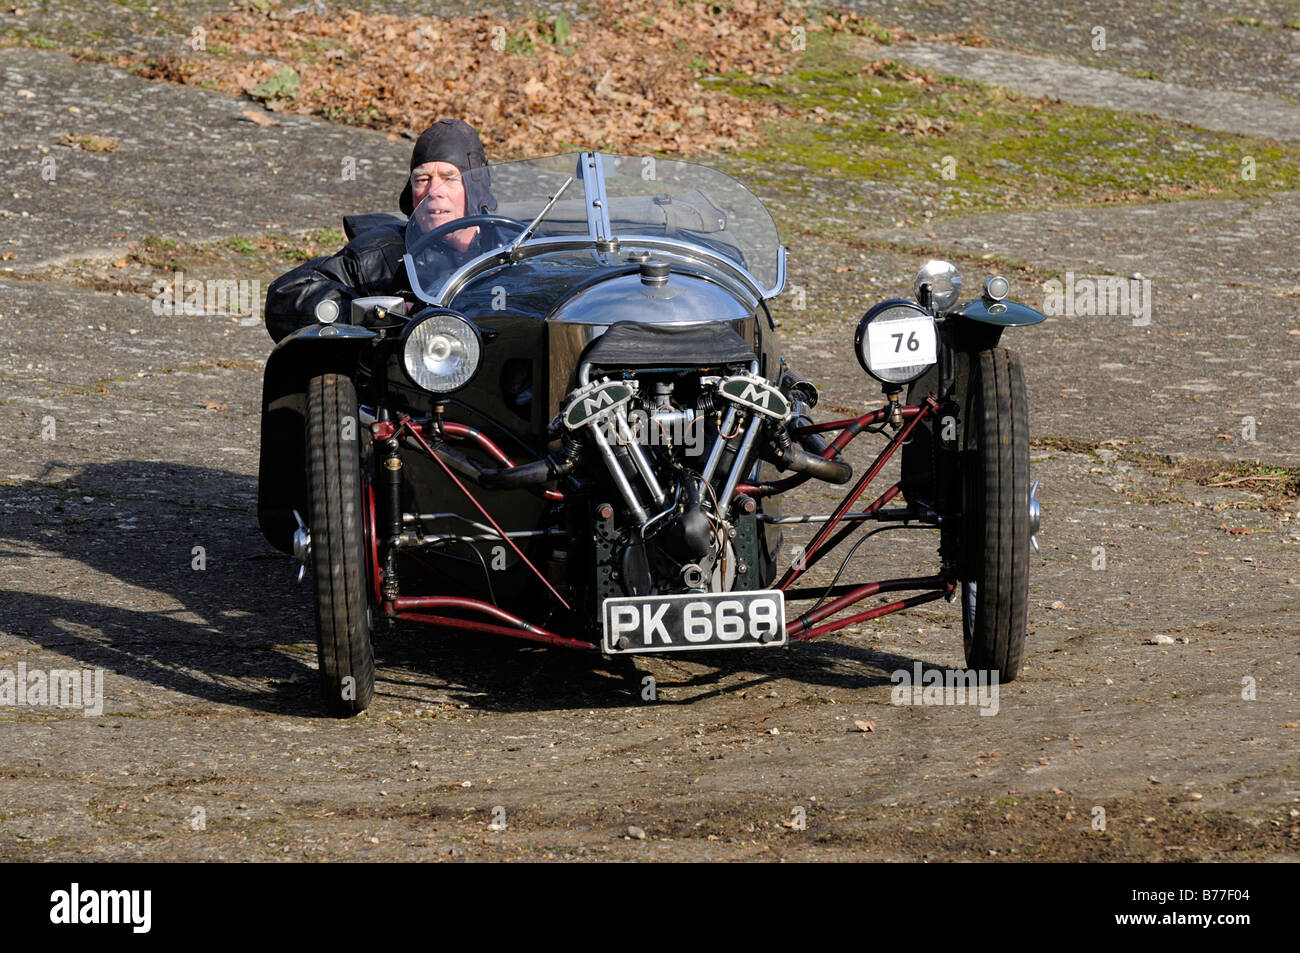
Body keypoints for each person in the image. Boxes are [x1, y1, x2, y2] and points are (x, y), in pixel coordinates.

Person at [264, 118, 494, 343]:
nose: (433, 191)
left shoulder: (513, 247)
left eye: (449, 178)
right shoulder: (383, 253)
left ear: (475, 187)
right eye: (422, 179)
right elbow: (286, 295)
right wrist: (370, 314)